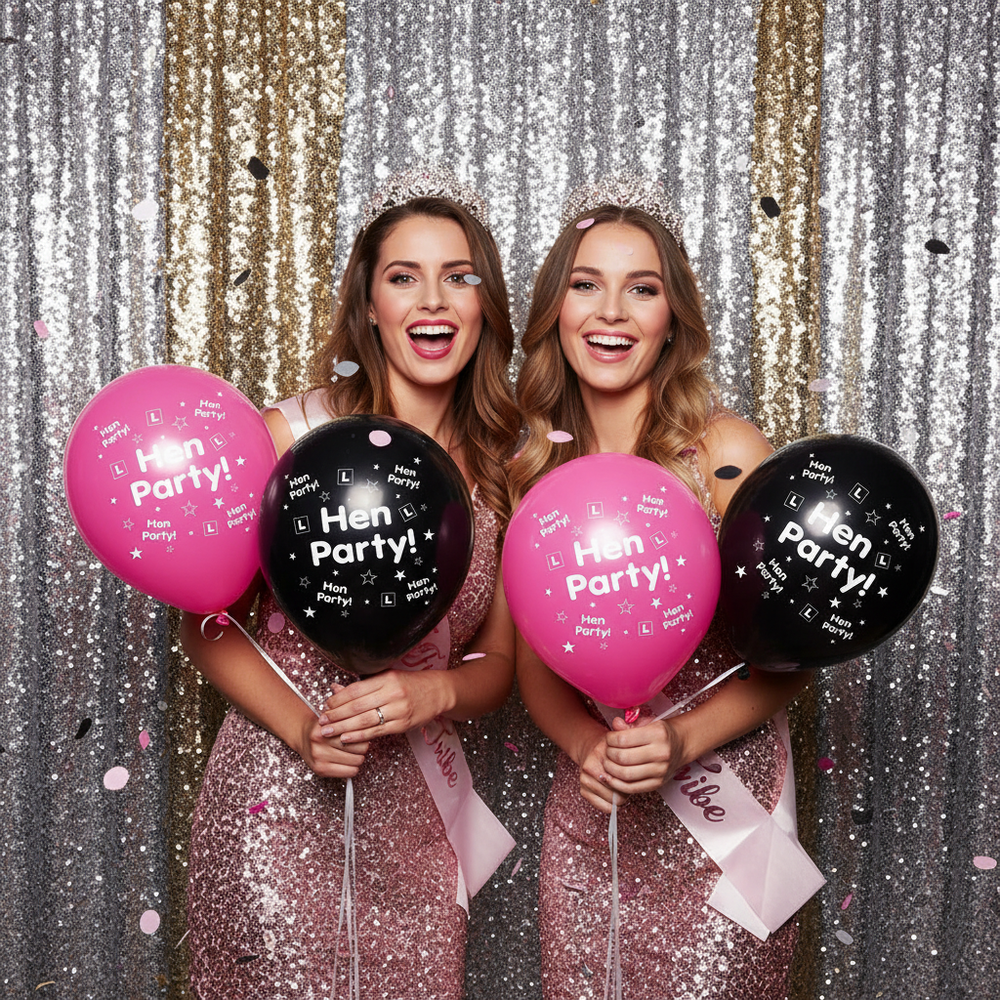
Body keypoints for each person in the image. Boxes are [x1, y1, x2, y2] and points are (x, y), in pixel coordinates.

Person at [181, 177, 521, 999]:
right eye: (404, 275)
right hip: (277, 804)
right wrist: (303, 730)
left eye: (459, 276)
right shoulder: (288, 438)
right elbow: (203, 621)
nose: (432, 299)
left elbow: (500, 664)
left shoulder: (509, 472)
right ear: (369, 303)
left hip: (419, 827)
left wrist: (432, 690)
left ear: (485, 306)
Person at [509, 182, 811, 999]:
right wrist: (583, 746)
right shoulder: (531, 470)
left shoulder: (723, 451)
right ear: (555, 311)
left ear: (671, 316)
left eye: (641, 289)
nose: (612, 312)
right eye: (586, 285)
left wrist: (681, 742)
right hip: (592, 818)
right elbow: (530, 664)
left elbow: (792, 655)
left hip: (725, 824)